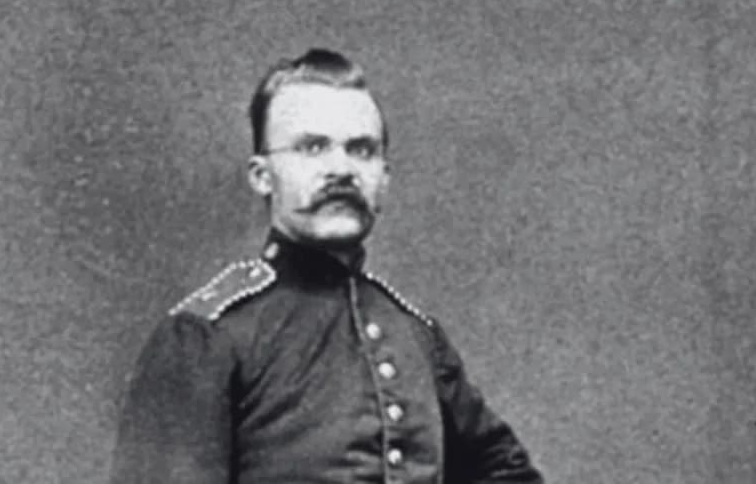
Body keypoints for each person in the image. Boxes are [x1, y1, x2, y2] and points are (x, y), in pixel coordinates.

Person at [109, 48, 544, 483]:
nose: (341, 169)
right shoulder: (207, 336)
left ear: (385, 178)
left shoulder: (414, 334)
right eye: (312, 148)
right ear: (262, 176)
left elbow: (505, 472)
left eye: (362, 150)